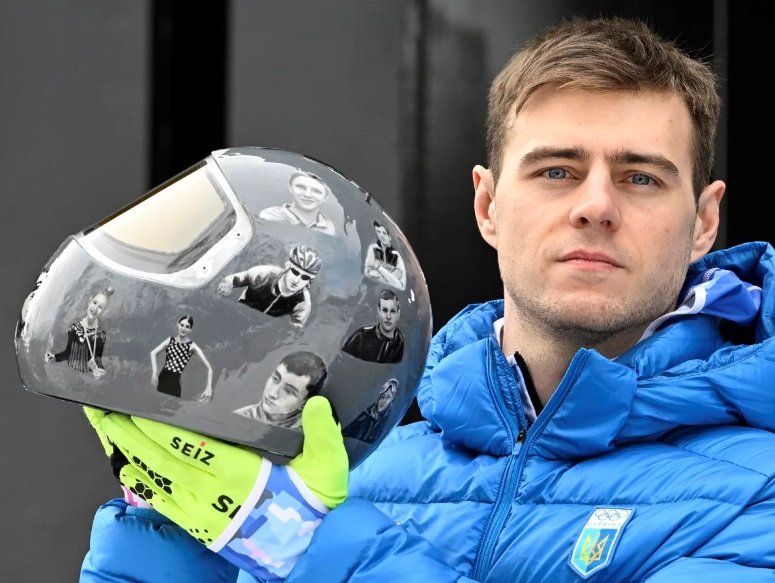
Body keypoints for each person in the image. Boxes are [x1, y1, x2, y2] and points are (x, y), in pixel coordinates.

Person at [81, 16, 775, 582]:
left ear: (704, 221)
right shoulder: (356, 476)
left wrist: (301, 541)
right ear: (487, 205)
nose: (595, 205)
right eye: (556, 171)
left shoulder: (758, 492)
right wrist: (169, 541)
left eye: (641, 178)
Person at [217, 244, 322, 327]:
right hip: (236, 314)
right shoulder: (264, 274)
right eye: (295, 272)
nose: (297, 280)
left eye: (305, 277)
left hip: (259, 331)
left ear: (309, 282)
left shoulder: (303, 303)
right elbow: (232, 279)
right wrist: (226, 286)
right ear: (287, 267)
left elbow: (295, 330)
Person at [233, 351, 328, 429]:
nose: (272, 394)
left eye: (288, 391)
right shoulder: (239, 418)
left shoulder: (311, 433)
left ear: (304, 404)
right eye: (275, 379)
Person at [45, 286, 114, 379]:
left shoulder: (100, 334)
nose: (95, 308)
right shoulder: (75, 327)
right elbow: (68, 353)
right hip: (70, 374)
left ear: (104, 311)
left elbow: (98, 359)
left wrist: (99, 370)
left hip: (87, 377)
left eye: (100, 307)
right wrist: (53, 357)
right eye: (95, 302)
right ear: (90, 301)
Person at [150, 314, 214, 401]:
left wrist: (209, 387)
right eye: (182, 325)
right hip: (161, 380)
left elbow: (209, 368)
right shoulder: (170, 340)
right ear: (178, 325)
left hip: (174, 384)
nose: (183, 329)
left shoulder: (192, 346)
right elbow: (153, 353)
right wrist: (155, 372)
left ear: (190, 329)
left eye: (187, 327)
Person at [258, 170, 336, 235]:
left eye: (316, 191)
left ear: (325, 198)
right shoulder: (272, 215)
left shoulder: (329, 227)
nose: (307, 195)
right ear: (290, 188)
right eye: (301, 187)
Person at [341, 289, 405, 363]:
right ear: (379, 311)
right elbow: (343, 360)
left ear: (398, 314)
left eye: (393, 311)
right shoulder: (361, 336)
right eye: (385, 310)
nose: (388, 316)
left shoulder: (399, 341)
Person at [342, 378, 398, 443]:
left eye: (388, 397)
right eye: (382, 396)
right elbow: (347, 433)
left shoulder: (389, 419)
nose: (384, 400)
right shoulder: (366, 414)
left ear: (392, 400)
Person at [363, 220, 406, 290]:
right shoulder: (373, 248)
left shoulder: (397, 256)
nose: (381, 236)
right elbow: (367, 272)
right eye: (378, 232)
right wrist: (391, 274)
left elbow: (401, 286)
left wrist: (379, 268)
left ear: (390, 236)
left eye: (384, 233)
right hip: (372, 289)